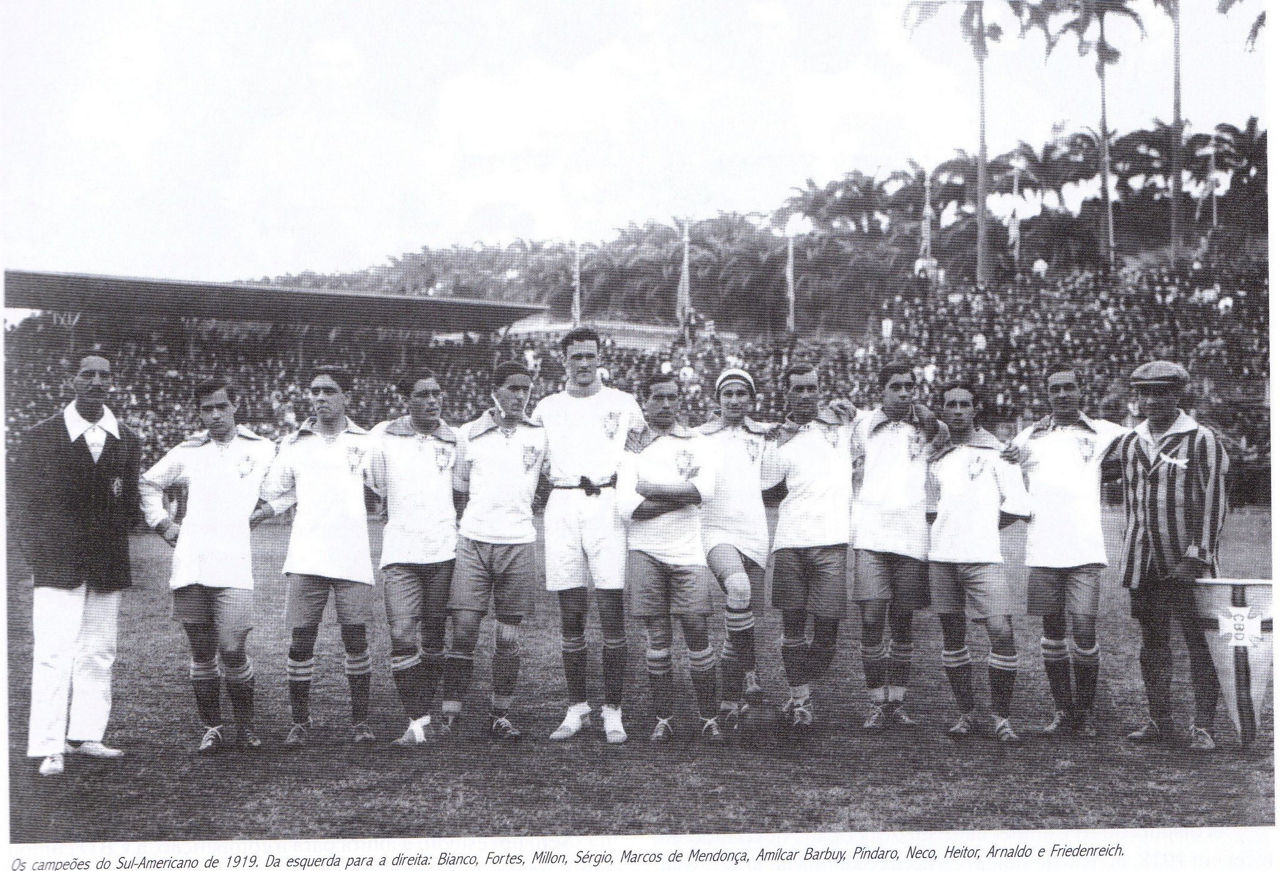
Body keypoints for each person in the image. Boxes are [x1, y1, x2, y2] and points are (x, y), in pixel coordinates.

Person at [12, 355, 142, 776]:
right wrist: (40, 554)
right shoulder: (41, 435)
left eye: (105, 375)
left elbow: (129, 503)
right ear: (72, 380)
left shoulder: (127, 437)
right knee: (54, 653)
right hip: (57, 563)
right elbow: (21, 505)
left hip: (107, 563)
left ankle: (87, 734)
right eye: (88, 374)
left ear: (112, 382)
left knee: (99, 652)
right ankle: (49, 746)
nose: (97, 381)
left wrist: (111, 539)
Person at [139, 378, 276, 753]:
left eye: (221, 407)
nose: (215, 415)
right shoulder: (188, 451)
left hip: (234, 566)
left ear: (236, 406)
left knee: (232, 648)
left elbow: (290, 483)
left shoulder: (262, 449)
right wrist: (162, 524)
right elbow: (147, 484)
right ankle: (212, 728)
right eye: (207, 409)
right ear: (199, 413)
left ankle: (246, 726)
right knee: (202, 653)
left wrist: (266, 510)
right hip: (191, 565)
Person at [531, 328, 646, 744]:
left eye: (589, 355)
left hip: (608, 504)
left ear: (599, 358)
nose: (583, 363)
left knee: (611, 609)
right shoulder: (546, 407)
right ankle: (576, 707)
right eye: (576, 356)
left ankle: (613, 710)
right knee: (571, 613)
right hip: (562, 504)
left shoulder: (623, 403)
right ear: (564, 360)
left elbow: (643, 453)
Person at [253, 365, 377, 747]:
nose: (320, 397)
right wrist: (257, 514)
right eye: (315, 391)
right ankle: (299, 722)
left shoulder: (368, 442)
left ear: (346, 397)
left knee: (356, 639)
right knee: (301, 640)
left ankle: (361, 722)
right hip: (307, 555)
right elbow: (277, 491)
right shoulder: (294, 444)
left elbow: (386, 486)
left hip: (352, 556)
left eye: (329, 390)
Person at [1005, 364, 1127, 737]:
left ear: (1080, 390)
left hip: (1085, 551)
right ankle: (1062, 711)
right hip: (1043, 550)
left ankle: (1085, 713)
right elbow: (1004, 468)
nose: (1062, 394)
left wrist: (1110, 473)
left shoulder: (1103, 431)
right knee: (1052, 633)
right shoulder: (1029, 436)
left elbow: (1142, 444)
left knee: (1085, 631)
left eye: (1069, 387)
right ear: (1047, 394)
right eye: (1055, 388)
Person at [1115, 361, 1230, 751]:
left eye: (1161, 392)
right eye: (1145, 393)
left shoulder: (1201, 439)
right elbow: (1131, 504)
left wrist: (1196, 557)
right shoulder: (1131, 441)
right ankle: (1159, 721)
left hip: (1187, 563)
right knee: (1153, 642)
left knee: (1200, 643)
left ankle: (1203, 726)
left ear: (1177, 394)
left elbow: (1214, 503)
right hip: (1143, 561)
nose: (1151, 400)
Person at [439, 362, 547, 741]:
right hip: (474, 542)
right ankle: (450, 712)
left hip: (519, 543)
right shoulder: (468, 434)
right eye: (513, 388)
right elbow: (459, 488)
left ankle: (500, 715)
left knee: (508, 637)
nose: (520, 395)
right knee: (464, 631)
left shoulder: (540, 434)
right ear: (494, 391)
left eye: (526, 389)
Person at [618, 374, 721, 741]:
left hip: (688, 553)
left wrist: (652, 489)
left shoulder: (697, 442)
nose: (665, 404)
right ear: (645, 401)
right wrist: (682, 495)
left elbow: (706, 491)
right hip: (645, 551)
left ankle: (709, 717)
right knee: (658, 639)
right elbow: (628, 507)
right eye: (657, 397)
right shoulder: (632, 447)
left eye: (671, 397)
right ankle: (664, 718)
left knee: (696, 630)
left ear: (680, 401)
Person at [927, 382, 1031, 743]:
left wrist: (981, 527)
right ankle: (966, 714)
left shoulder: (999, 452)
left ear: (976, 410)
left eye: (964, 404)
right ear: (942, 410)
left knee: (1001, 632)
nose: (957, 411)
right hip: (941, 559)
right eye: (951, 405)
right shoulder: (935, 454)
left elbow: (1018, 505)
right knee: (953, 635)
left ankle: (1002, 718)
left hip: (984, 558)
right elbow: (929, 508)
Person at [850, 362, 948, 729]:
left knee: (903, 621)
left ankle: (897, 701)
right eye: (896, 386)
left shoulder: (927, 426)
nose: (904, 393)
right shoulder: (861, 424)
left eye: (909, 386)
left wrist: (927, 417)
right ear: (881, 390)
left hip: (911, 535)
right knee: (872, 618)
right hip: (871, 535)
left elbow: (947, 435)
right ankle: (877, 702)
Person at [364, 371, 458, 746]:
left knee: (434, 638)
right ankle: (417, 721)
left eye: (437, 393)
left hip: (443, 552)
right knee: (402, 634)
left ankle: (425, 718)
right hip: (400, 552)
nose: (433, 400)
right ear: (406, 400)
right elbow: (376, 483)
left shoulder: (454, 439)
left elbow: (462, 488)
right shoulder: (382, 436)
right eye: (423, 394)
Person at [765, 364, 854, 731]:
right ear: (786, 393)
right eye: (798, 389)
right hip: (790, 541)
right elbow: (766, 485)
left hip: (832, 541)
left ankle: (802, 685)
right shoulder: (777, 437)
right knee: (793, 626)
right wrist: (778, 441)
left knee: (827, 633)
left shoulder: (841, 423)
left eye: (811, 388)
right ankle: (801, 699)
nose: (805, 395)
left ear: (820, 389)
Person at [696, 368, 777, 729]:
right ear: (717, 399)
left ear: (752, 399)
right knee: (739, 588)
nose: (734, 400)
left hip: (754, 531)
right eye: (727, 394)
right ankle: (750, 675)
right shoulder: (698, 436)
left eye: (741, 394)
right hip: (715, 529)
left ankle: (730, 701)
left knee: (740, 620)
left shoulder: (765, 435)